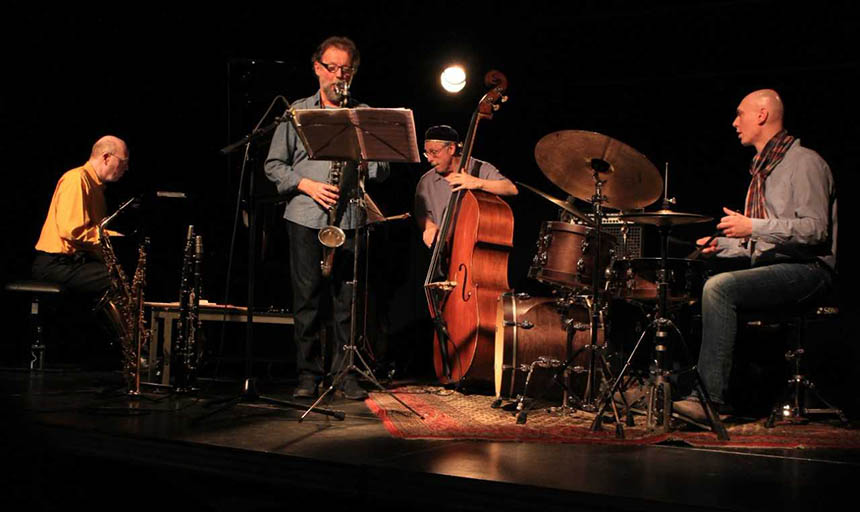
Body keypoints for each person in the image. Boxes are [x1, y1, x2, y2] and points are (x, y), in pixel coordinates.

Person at [673, 89, 837, 421]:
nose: (735, 122)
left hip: (808, 270)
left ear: (762, 115)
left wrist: (753, 227)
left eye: (740, 114)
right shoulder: (764, 170)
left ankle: (710, 400)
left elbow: (815, 230)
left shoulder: (804, 163)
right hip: (776, 265)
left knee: (719, 288)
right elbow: (765, 239)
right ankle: (678, 385)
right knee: (696, 282)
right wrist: (724, 245)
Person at [264, 36, 389, 400]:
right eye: (332, 67)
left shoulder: (362, 114)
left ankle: (344, 374)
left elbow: (382, 170)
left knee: (345, 302)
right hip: (305, 215)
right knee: (306, 298)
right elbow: (273, 165)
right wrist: (305, 183)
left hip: (349, 216)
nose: (339, 75)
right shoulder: (297, 112)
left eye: (346, 69)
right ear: (317, 68)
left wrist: (369, 162)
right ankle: (307, 373)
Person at [32, 135, 130, 301]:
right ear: (106, 158)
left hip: (75, 263)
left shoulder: (97, 189)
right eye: (123, 162)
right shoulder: (76, 179)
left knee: (122, 274)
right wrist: (114, 238)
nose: (126, 168)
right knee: (118, 280)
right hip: (57, 264)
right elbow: (73, 232)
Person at [414, 125, 518, 248]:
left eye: (434, 152)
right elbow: (422, 213)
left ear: (451, 148)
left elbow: (511, 189)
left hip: (475, 251)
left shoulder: (479, 169)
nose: (429, 159)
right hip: (444, 254)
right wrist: (428, 226)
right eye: (427, 153)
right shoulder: (426, 181)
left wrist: (477, 182)